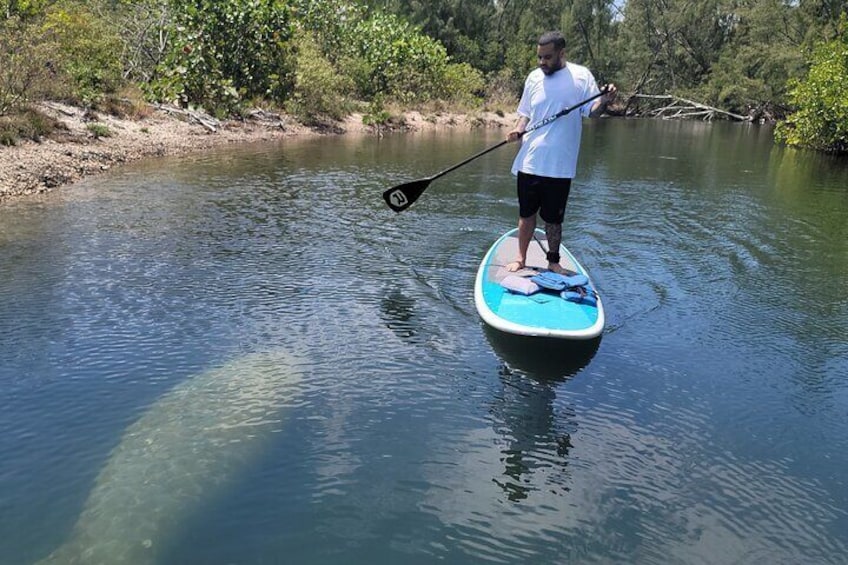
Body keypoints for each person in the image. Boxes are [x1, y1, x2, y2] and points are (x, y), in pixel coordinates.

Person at [505, 31, 617, 274]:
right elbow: (525, 113)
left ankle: (553, 262)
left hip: (560, 165)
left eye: (547, 57)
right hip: (531, 161)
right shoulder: (533, 78)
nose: (541, 62)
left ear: (561, 53)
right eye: (539, 57)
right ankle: (521, 258)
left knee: (554, 220)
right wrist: (517, 129)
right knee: (526, 215)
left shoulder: (581, 76)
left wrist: (605, 100)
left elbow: (593, 112)